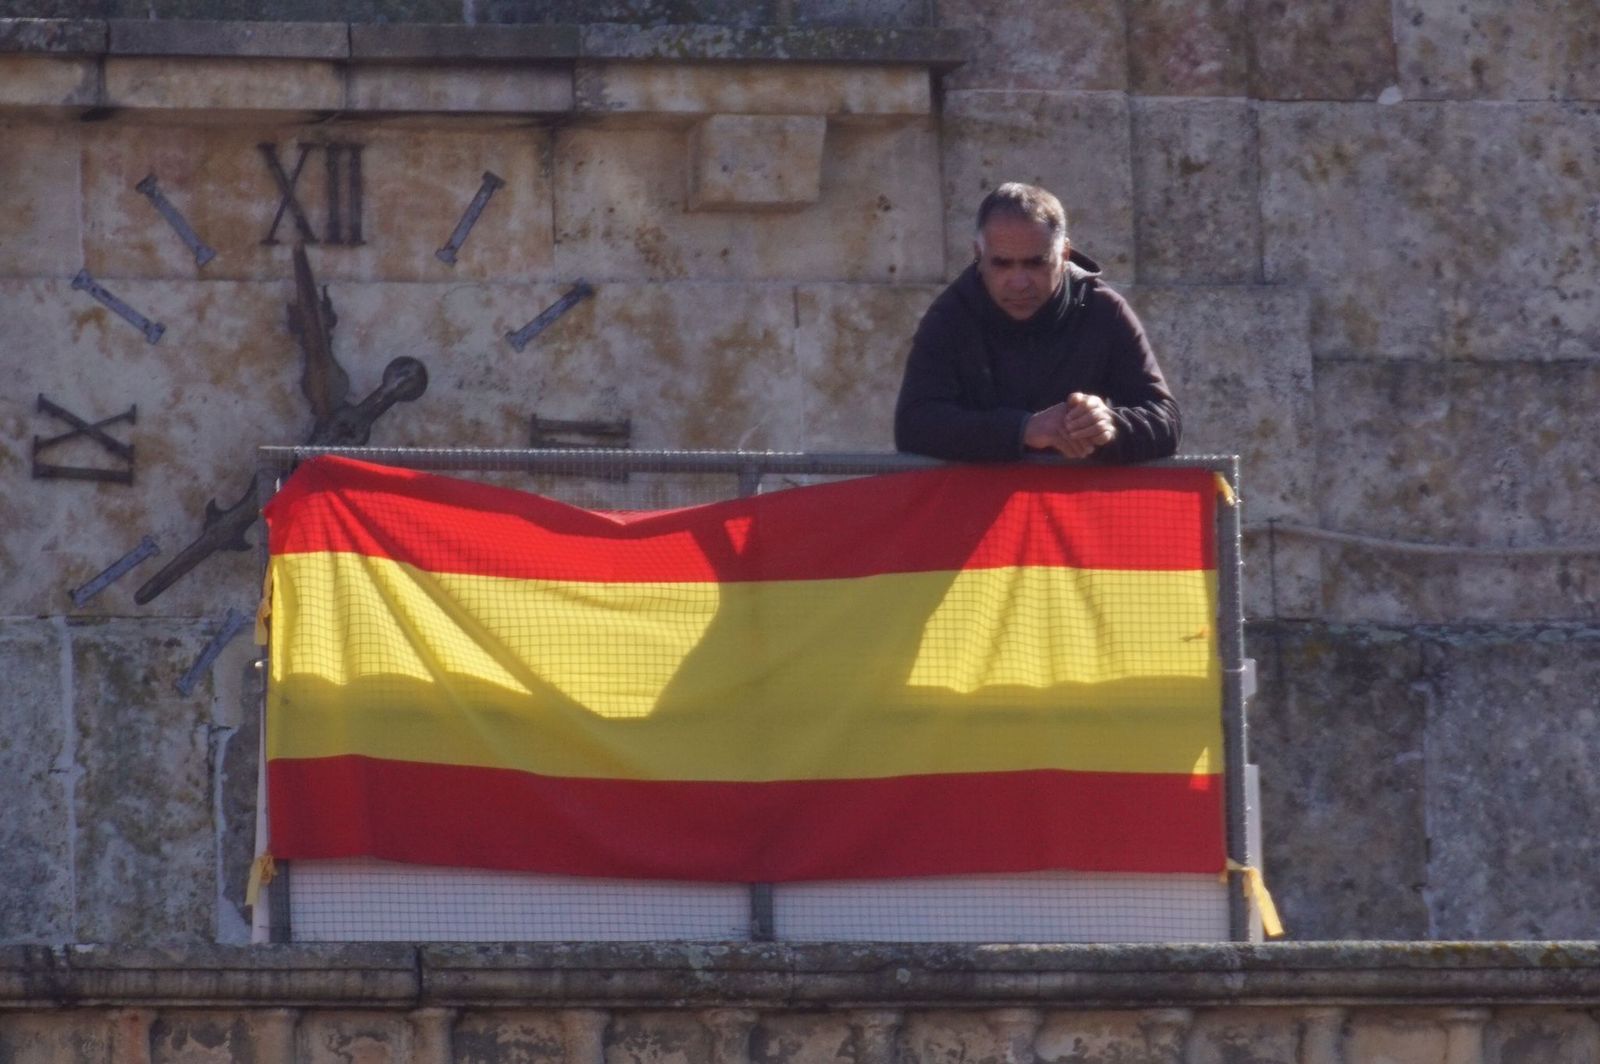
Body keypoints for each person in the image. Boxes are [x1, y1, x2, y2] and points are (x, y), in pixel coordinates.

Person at [894, 183, 1180, 462]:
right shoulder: (951, 316)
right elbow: (913, 425)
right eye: (1002, 264)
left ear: (1065, 255)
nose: (1019, 283)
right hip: (980, 504)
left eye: (1035, 263)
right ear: (978, 256)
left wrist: (1108, 426)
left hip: (1074, 504)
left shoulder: (1103, 310)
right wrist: (1023, 430)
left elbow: (1165, 420)